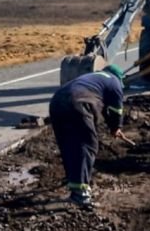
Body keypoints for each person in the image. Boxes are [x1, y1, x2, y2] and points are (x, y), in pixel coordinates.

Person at [49, 64, 126, 206]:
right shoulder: (114, 82)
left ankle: (73, 179)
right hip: (77, 102)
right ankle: (80, 194)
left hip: (57, 101)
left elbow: (104, 108)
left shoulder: (93, 79)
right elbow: (116, 110)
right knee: (87, 145)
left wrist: (112, 126)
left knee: (68, 143)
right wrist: (116, 127)